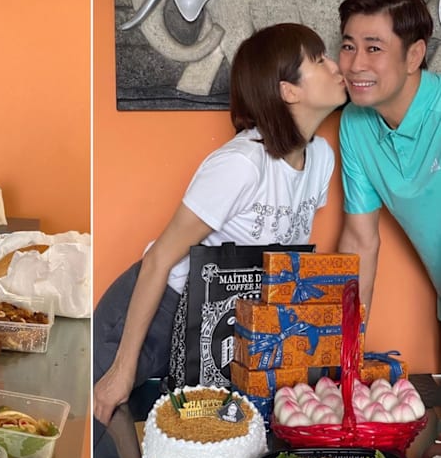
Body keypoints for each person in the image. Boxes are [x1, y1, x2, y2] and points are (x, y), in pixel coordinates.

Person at [93, 23, 347, 427]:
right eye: (319, 60)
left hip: (223, 321)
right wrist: (122, 369)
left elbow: (284, 262)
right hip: (151, 314)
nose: (336, 66)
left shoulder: (321, 158)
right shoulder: (241, 164)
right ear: (288, 91)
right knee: (113, 439)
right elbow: (159, 259)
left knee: (205, 439)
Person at [337, 0, 440, 323]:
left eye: (373, 48)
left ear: (414, 56)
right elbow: (359, 242)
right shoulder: (355, 123)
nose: (355, 64)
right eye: (348, 46)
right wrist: (347, 346)